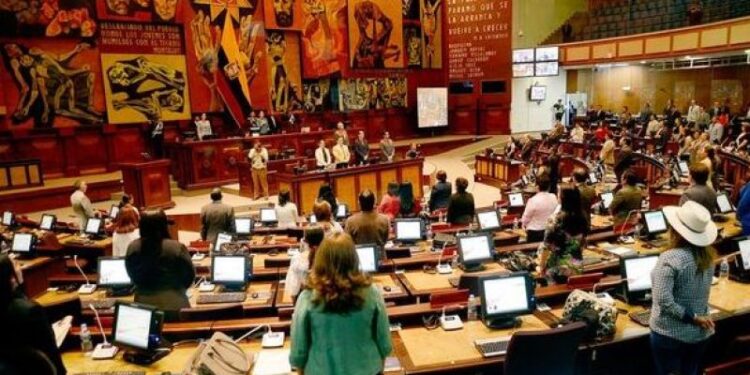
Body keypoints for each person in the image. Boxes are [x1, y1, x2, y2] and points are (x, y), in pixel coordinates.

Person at [289, 232, 392, 375]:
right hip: (367, 368)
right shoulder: (372, 292)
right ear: (354, 257)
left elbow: (299, 349)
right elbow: (384, 341)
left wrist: (300, 369)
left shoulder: (308, 297)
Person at [650, 201, 716, 375]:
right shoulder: (709, 258)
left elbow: (664, 300)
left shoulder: (670, 258)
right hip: (700, 334)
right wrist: (697, 318)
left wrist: (692, 317)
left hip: (670, 333)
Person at [0, 254, 66, 375]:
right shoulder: (30, 311)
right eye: (15, 265)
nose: (20, 267)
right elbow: (52, 355)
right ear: (11, 277)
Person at [126, 210, 195, 319]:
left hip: (143, 304)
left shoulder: (133, 247)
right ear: (164, 225)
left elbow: (131, 274)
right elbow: (189, 275)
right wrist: (177, 288)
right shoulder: (176, 247)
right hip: (174, 303)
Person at [538, 187, 587, 284]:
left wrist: (541, 266)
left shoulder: (554, 219)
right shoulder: (583, 217)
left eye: (559, 193)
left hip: (558, 268)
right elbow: (582, 243)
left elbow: (546, 246)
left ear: (563, 198)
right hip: (576, 265)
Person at [284, 226, 325, 299]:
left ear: (305, 241)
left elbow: (293, 291)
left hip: (304, 300)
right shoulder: (330, 258)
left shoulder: (297, 259)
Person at [522, 175, 558, 242]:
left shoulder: (533, 200)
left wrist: (523, 226)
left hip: (535, 233)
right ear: (549, 187)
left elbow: (526, 217)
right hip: (549, 230)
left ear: (537, 187)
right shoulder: (554, 197)